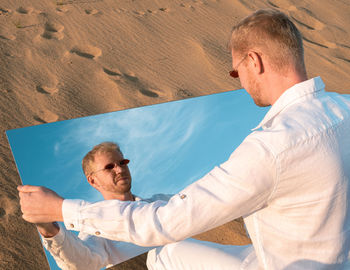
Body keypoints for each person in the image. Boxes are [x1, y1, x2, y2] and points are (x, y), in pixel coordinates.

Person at [18, 9, 350, 269]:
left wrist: (61, 208)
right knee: (168, 255)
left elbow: (165, 221)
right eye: (110, 166)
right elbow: (84, 261)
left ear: (254, 61)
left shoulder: (271, 147)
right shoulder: (345, 107)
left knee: (164, 254)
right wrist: (54, 228)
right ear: (92, 178)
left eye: (235, 71)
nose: (239, 81)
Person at [34, 142, 171, 269]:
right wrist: (50, 231)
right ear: (93, 181)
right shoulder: (96, 230)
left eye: (122, 163)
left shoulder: (162, 201)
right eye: (109, 167)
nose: (119, 169)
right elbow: (83, 262)